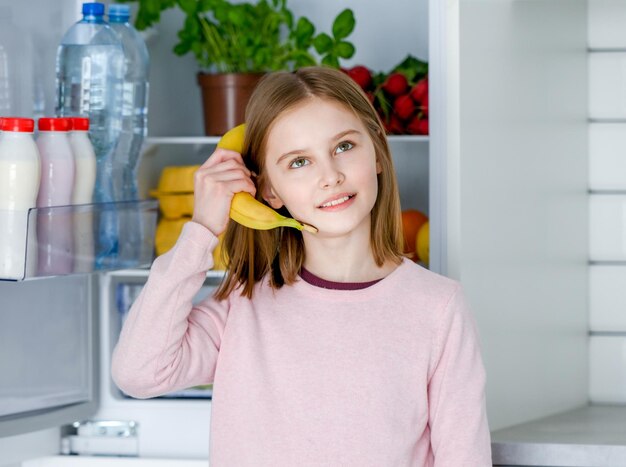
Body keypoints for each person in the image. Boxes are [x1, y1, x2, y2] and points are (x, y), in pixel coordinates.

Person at [111, 66, 492, 466]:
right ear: (270, 190)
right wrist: (202, 229)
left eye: (344, 146)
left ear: (377, 152)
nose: (330, 176)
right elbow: (138, 371)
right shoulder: (243, 305)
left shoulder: (438, 307)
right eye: (298, 162)